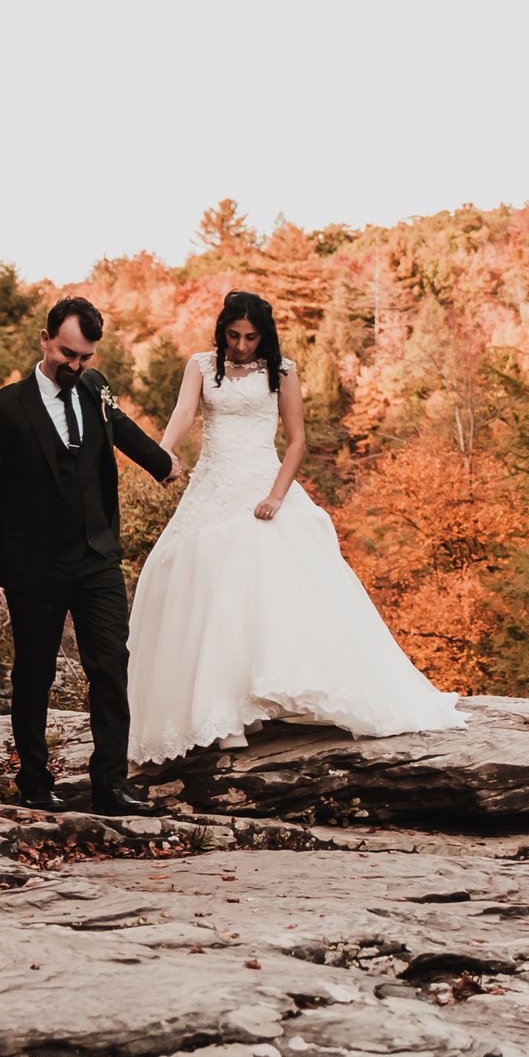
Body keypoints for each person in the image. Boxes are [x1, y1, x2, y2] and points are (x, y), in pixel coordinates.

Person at [127, 287, 459, 766]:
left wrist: (277, 497)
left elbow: (299, 441)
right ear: (222, 330)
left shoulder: (282, 372)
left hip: (264, 484)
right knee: (200, 585)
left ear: (265, 336)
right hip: (212, 486)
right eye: (234, 335)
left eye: (250, 337)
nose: (241, 345)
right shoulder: (200, 365)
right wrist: (162, 451)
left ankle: (253, 702)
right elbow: (183, 414)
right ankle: (225, 710)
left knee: (264, 590)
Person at [0, 295, 175, 814]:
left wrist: (163, 464)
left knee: (111, 664)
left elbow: (120, 430)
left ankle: (110, 786)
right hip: (33, 563)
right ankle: (35, 783)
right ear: (44, 339)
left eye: (85, 358)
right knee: (34, 672)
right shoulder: (4, 407)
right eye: (67, 354)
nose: (75, 366)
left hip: (96, 554)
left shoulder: (95, 389)